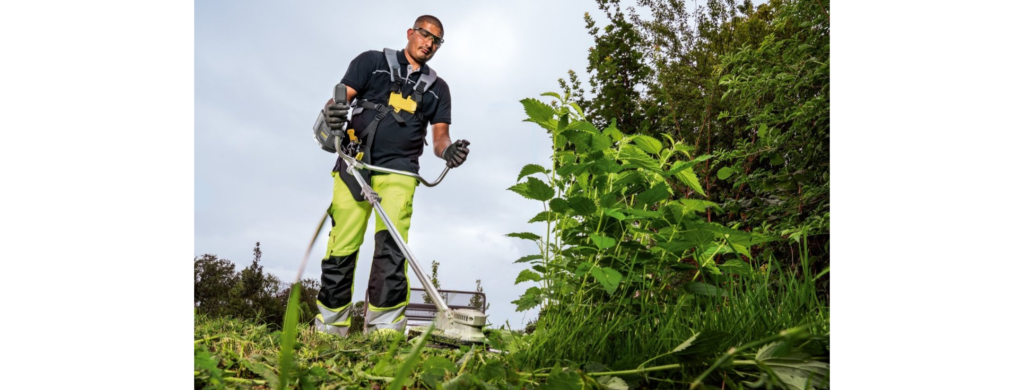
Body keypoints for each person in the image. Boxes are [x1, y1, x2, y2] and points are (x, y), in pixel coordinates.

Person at [314, 15, 470, 337]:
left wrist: (449, 150)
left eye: (436, 41)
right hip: (354, 165)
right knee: (341, 246)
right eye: (425, 35)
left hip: (400, 170)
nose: (429, 43)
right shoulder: (371, 62)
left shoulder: (439, 89)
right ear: (411, 33)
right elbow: (340, 98)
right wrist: (331, 112)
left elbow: (440, 137)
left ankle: (384, 332)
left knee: (391, 248)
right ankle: (331, 328)